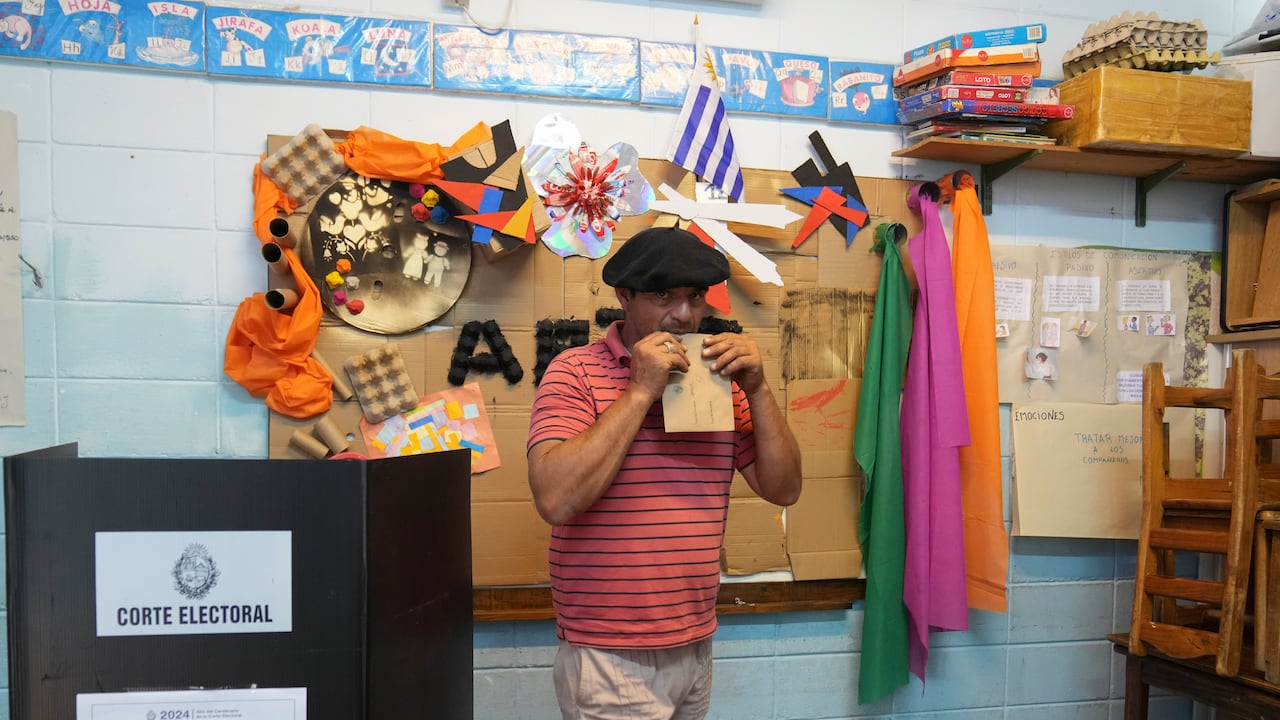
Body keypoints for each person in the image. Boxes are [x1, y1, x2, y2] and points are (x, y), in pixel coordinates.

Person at [527, 226, 802, 720]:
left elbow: (784, 489)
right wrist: (638, 391)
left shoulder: (717, 380)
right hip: (608, 650)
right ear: (624, 297)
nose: (684, 315)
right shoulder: (574, 371)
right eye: (663, 296)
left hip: (695, 640)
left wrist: (758, 389)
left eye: (695, 298)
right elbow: (555, 500)